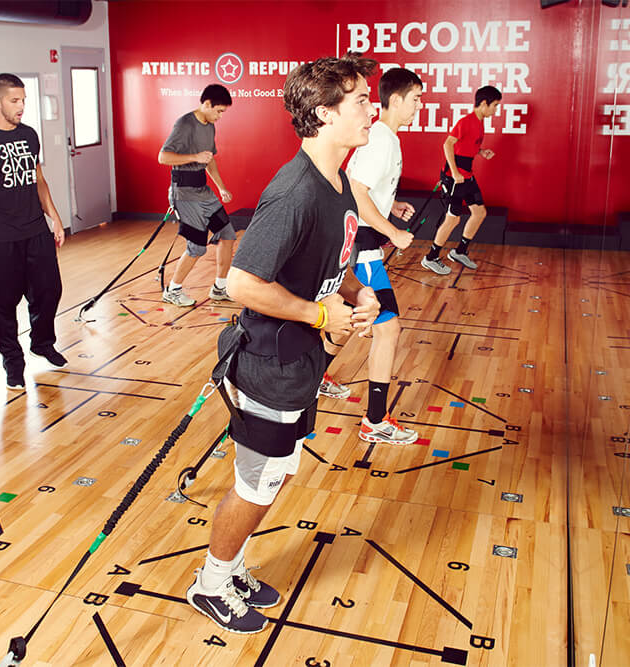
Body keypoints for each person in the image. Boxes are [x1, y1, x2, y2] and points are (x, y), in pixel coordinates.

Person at [186, 54, 381, 634]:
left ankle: (232, 568)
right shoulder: (296, 191)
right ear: (323, 113)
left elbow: (329, 263)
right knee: (258, 484)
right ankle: (211, 584)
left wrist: (357, 293)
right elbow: (242, 283)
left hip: (300, 362)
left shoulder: (337, 181)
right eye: (360, 101)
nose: (370, 110)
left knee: (279, 472)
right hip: (267, 364)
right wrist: (321, 313)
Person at [321, 67, 423, 445]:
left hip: (360, 241)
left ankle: (315, 378)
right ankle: (375, 421)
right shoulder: (381, 139)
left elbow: (364, 189)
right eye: (415, 99)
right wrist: (393, 232)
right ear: (395, 100)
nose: (419, 106)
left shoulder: (385, 137)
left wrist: (390, 206)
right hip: (361, 245)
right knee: (387, 328)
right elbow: (356, 191)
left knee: (351, 319)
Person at [0, 73, 66, 390]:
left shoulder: (29, 135)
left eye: (23, 100)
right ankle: (13, 363)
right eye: (14, 101)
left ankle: (42, 343)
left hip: (35, 230)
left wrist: (54, 217)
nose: (21, 107)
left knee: (50, 291)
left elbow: (38, 180)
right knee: (3, 307)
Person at [158, 84, 235, 307]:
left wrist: (221, 187)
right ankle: (173, 290)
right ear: (207, 104)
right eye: (218, 111)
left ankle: (220, 288)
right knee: (197, 247)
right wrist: (194, 156)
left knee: (228, 235)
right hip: (184, 194)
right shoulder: (185, 124)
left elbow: (209, 159)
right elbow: (163, 157)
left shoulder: (210, 126)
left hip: (204, 192)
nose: (220, 116)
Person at [421, 85, 502, 274]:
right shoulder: (466, 121)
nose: (496, 110)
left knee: (479, 213)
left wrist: (481, 152)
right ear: (484, 104)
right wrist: (455, 172)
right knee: (453, 219)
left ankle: (459, 252)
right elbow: (447, 144)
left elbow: (466, 146)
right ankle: (430, 258)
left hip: (467, 176)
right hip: (454, 178)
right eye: (495, 105)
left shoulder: (480, 123)